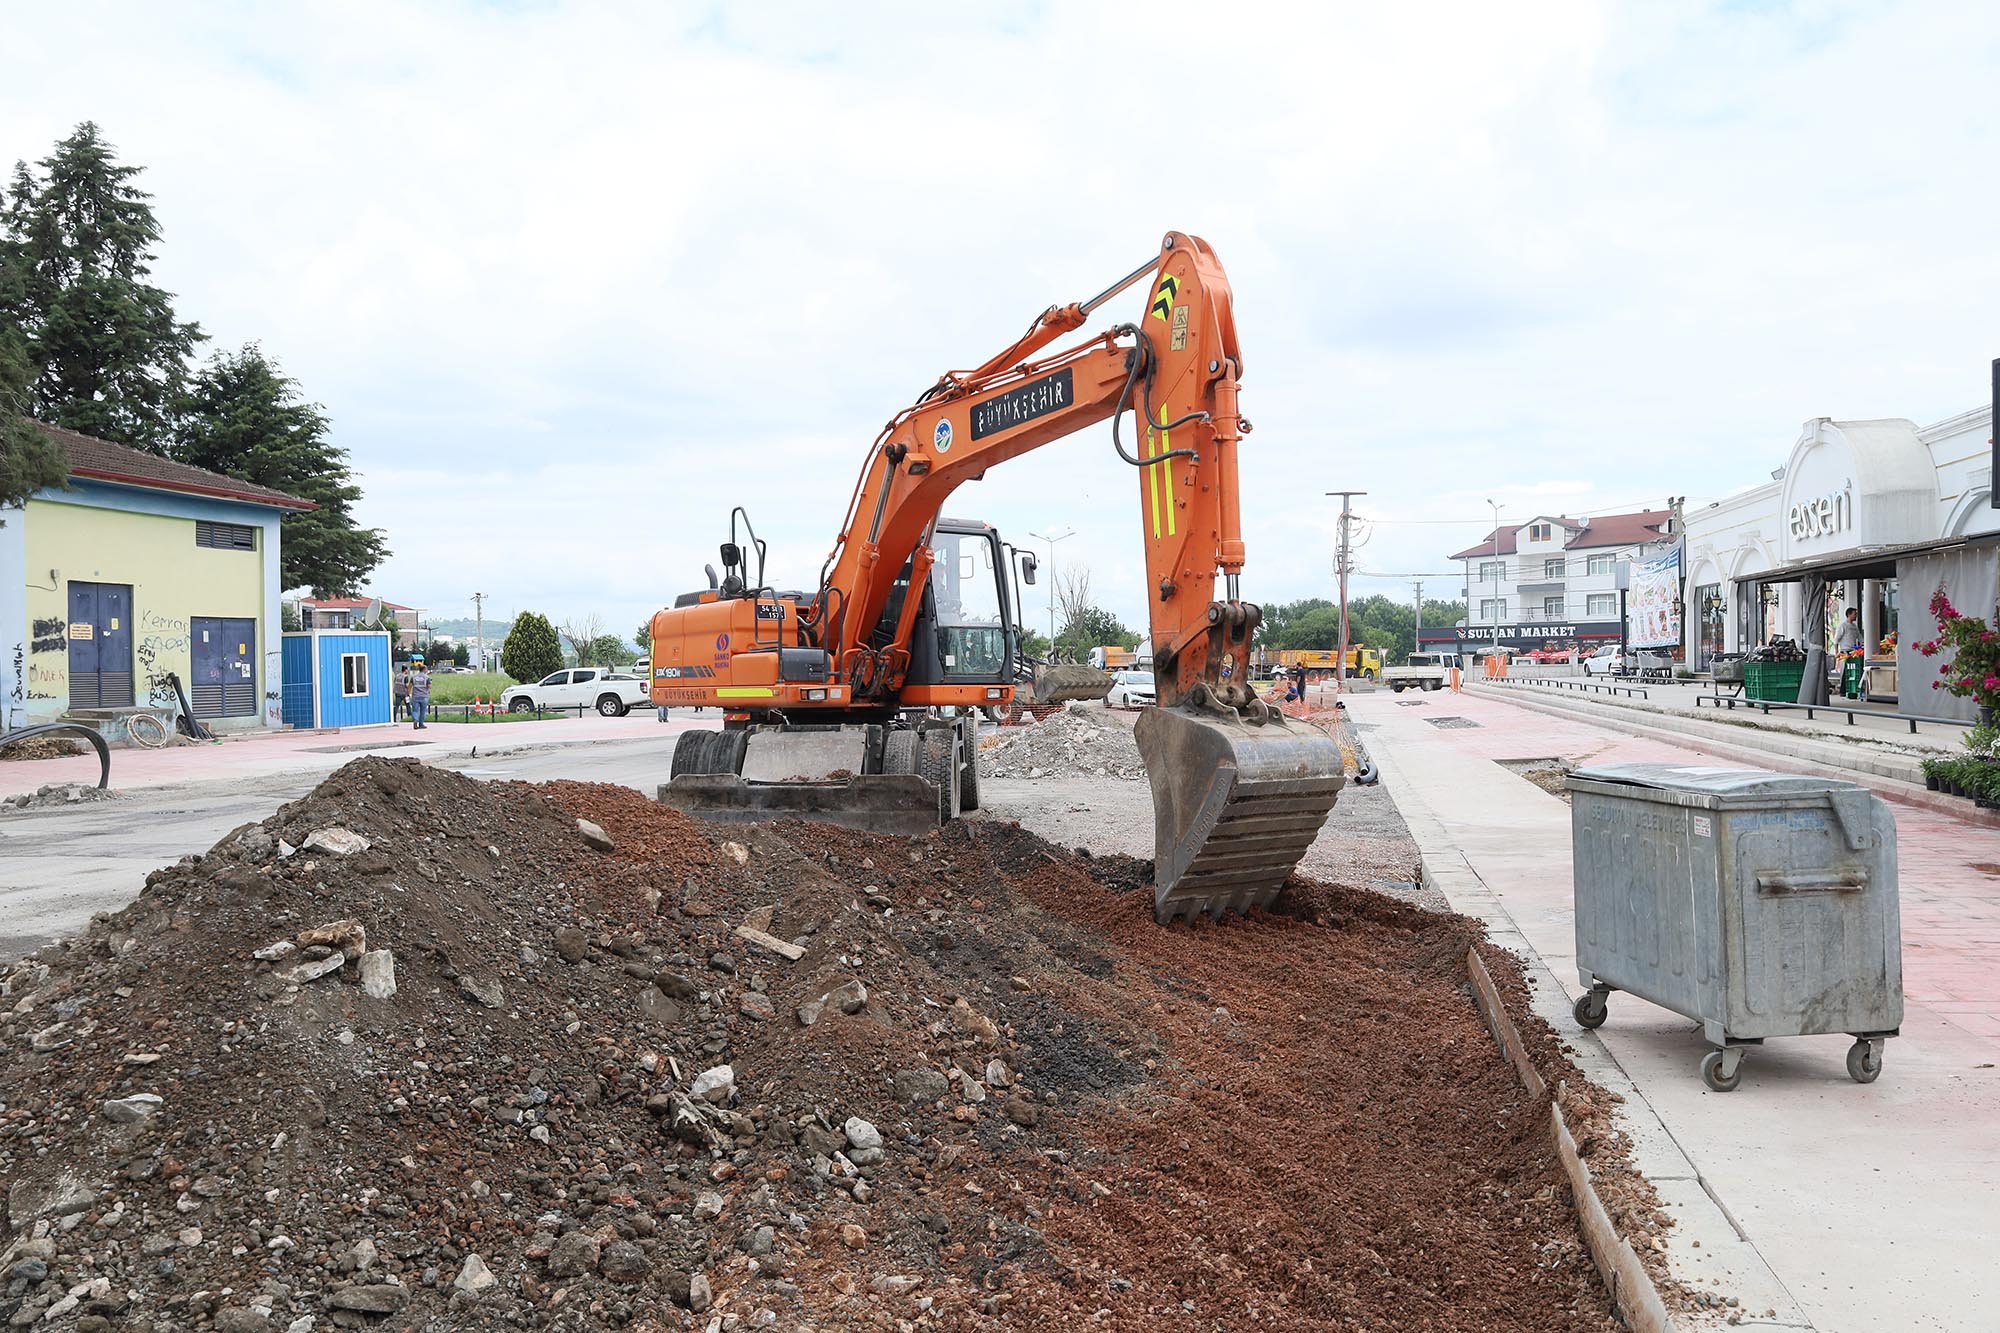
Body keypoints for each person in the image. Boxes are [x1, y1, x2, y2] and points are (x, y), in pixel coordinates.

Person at [410, 662, 432, 729]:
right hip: (424, 696)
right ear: (424, 670)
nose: (427, 670)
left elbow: (409, 686)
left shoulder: (414, 677)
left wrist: (408, 693)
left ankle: (415, 719)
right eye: (426, 669)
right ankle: (421, 724)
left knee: (415, 710)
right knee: (423, 711)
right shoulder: (427, 677)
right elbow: (429, 686)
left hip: (415, 696)